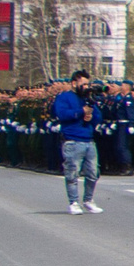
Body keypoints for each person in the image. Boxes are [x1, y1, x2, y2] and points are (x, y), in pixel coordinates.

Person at [53, 71, 101, 212]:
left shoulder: (88, 98)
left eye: (88, 84)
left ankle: (88, 200)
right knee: (72, 173)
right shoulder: (64, 97)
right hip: (73, 140)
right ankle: (74, 202)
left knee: (93, 173)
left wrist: (90, 115)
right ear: (74, 83)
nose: (86, 87)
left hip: (89, 140)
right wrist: (81, 112)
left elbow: (98, 117)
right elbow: (62, 114)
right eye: (83, 84)